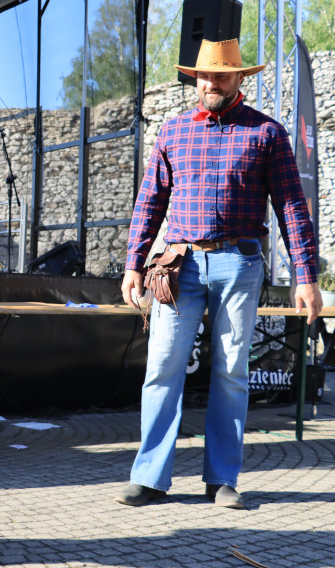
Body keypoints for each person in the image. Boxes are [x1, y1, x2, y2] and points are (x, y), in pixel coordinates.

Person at [116, 38, 322, 510]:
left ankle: (222, 479)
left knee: (232, 373)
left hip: (240, 264)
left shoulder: (268, 134)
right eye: (205, 75)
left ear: (240, 79)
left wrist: (305, 276)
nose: (211, 83)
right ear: (195, 77)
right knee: (162, 369)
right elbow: (150, 202)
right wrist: (133, 264)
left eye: (222, 75)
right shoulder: (172, 132)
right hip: (179, 264)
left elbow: (292, 207)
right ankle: (149, 477)